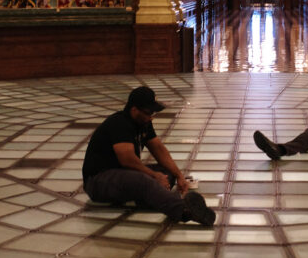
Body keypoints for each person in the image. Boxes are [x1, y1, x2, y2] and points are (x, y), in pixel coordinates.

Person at [82, 86, 215, 225]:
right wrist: (153, 175)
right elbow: (127, 159)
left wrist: (179, 176)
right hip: (98, 182)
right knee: (144, 180)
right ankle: (184, 211)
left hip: (123, 176)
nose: (151, 117)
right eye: (148, 112)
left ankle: (150, 197)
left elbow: (159, 149)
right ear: (134, 110)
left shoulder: (144, 123)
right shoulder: (119, 123)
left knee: (166, 172)